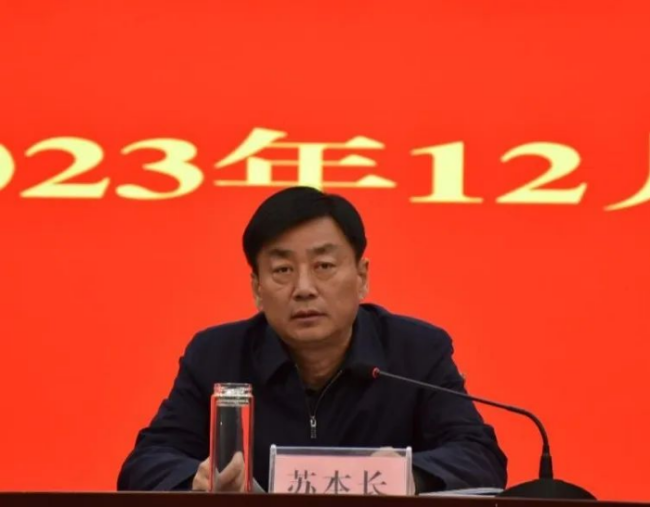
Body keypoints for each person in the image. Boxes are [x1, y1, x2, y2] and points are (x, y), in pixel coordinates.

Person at [117, 186, 507, 493]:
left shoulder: (416, 351)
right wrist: (196, 479)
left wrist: (407, 475)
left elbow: (479, 456)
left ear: (362, 277)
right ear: (257, 288)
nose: (304, 288)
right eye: (282, 270)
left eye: (324, 266)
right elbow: (145, 464)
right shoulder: (216, 355)